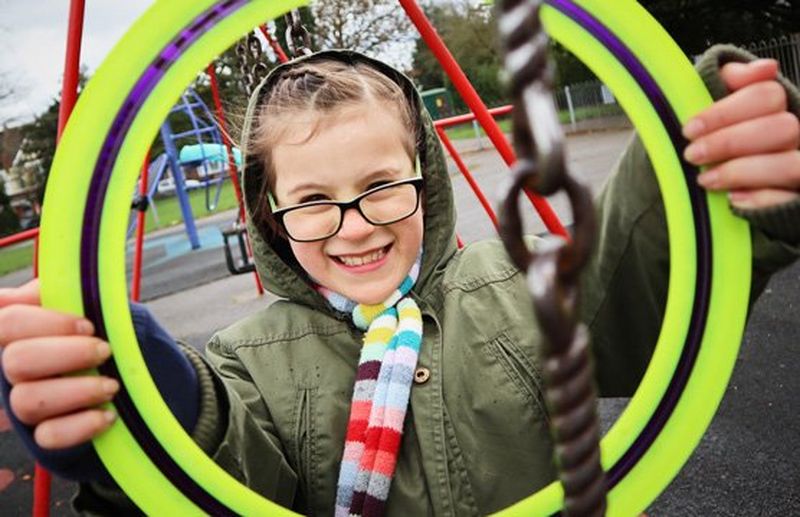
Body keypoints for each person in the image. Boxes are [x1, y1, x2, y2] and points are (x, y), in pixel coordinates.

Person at [1, 47, 798, 516]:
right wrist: (144, 400)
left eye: (383, 184)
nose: (355, 224)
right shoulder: (247, 361)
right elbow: (229, 467)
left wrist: (705, 166)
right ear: (271, 215)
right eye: (312, 201)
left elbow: (633, 291)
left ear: (427, 175)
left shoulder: (517, 280)